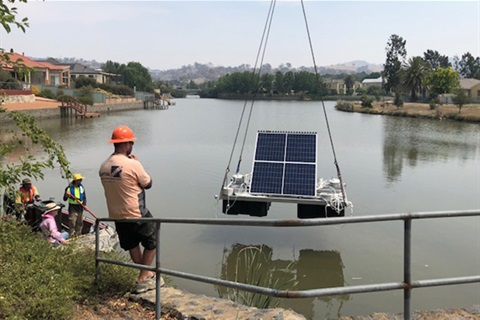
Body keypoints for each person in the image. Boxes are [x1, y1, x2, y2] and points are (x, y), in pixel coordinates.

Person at [99, 125, 163, 294]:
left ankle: (146, 274)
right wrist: (134, 162)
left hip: (116, 214)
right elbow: (148, 184)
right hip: (135, 212)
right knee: (153, 239)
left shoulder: (104, 166)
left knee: (132, 244)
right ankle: (143, 277)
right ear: (127, 144)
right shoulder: (132, 164)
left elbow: (118, 182)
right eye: (131, 143)